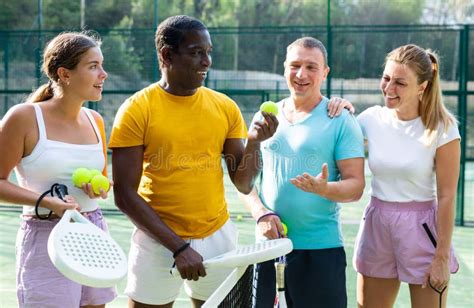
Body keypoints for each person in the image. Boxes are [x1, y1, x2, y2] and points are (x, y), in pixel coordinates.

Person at [108, 15, 277, 308]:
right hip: (157, 241)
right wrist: (178, 247)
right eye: (196, 52)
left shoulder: (224, 107)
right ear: (167, 55)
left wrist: (254, 142)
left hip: (217, 237)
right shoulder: (136, 109)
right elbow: (124, 195)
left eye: (208, 52)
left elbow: (243, 181)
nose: (206, 61)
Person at [239, 37, 365, 307]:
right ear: (284, 68)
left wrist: (325, 188)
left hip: (320, 252)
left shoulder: (341, 119)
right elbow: (245, 183)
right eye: (295, 65)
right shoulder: (265, 119)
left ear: (325, 72)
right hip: (268, 249)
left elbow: (356, 186)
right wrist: (261, 214)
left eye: (311, 66)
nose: (301, 74)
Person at [335, 44, 459, 308]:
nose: (389, 89)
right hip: (377, 226)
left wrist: (441, 257)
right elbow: (338, 141)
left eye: (400, 83)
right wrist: (341, 109)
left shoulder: (443, 127)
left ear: (422, 87)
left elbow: (447, 196)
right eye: (387, 78)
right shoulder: (370, 119)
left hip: (423, 230)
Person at [0, 32, 115, 307]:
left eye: (101, 65)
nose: (104, 74)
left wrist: (99, 186)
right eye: (93, 66)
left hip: (92, 230)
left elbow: (103, 184)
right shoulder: (24, 117)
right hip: (45, 236)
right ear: (65, 74)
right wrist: (49, 203)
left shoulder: (95, 120)